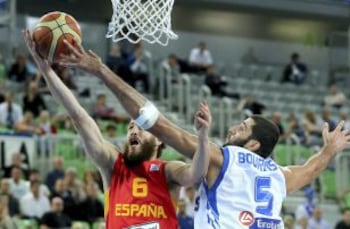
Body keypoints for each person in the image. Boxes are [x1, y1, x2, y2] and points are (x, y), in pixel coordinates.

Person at [60, 39, 350, 228]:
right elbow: (312, 168)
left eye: (241, 127)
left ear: (252, 143)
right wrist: (330, 149)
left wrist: (102, 72)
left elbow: (156, 123)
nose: (231, 127)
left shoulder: (224, 158)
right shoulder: (280, 175)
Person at [23, 30, 211, 228]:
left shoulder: (167, 171)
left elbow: (196, 174)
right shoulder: (113, 164)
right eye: (130, 127)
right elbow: (79, 117)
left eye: (141, 127)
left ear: (159, 139)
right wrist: (46, 70)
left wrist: (203, 136)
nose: (134, 131)